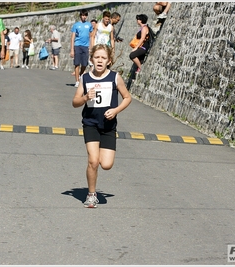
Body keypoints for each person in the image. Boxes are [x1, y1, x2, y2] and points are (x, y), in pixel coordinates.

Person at [72, 44, 131, 208]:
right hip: (90, 124)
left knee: (106, 164)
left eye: (103, 58)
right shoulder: (85, 78)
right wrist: (84, 98)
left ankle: (93, 191)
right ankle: (91, 195)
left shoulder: (115, 77)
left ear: (109, 61)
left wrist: (116, 110)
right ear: (91, 59)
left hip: (108, 126)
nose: (99, 60)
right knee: (93, 161)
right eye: (97, 57)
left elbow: (127, 97)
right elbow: (75, 102)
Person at [70, 9, 93, 88]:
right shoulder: (76, 25)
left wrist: (91, 46)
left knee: (84, 64)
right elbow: (73, 37)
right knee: (77, 64)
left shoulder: (89, 25)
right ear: (80, 16)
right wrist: (72, 49)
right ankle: (77, 81)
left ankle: (80, 75)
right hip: (77, 45)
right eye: (82, 15)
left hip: (85, 46)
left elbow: (91, 36)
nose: (84, 17)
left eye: (85, 15)